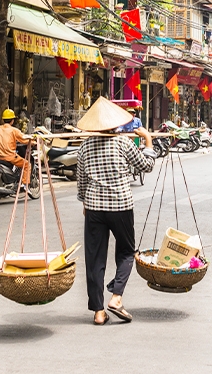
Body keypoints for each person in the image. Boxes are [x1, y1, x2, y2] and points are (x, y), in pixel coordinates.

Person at [76, 97, 156, 326]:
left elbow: (81, 182)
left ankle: (98, 312)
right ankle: (117, 297)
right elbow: (147, 166)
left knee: (94, 259)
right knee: (126, 253)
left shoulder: (84, 147)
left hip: (94, 208)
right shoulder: (123, 143)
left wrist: (84, 202)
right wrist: (148, 139)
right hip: (120, 206)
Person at [0, 109, 34, 186]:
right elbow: (24, 139)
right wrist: (35, 142)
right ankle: (25, 185)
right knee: (27, 165)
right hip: (10, 157)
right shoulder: (14, 130)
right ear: (12, 120)